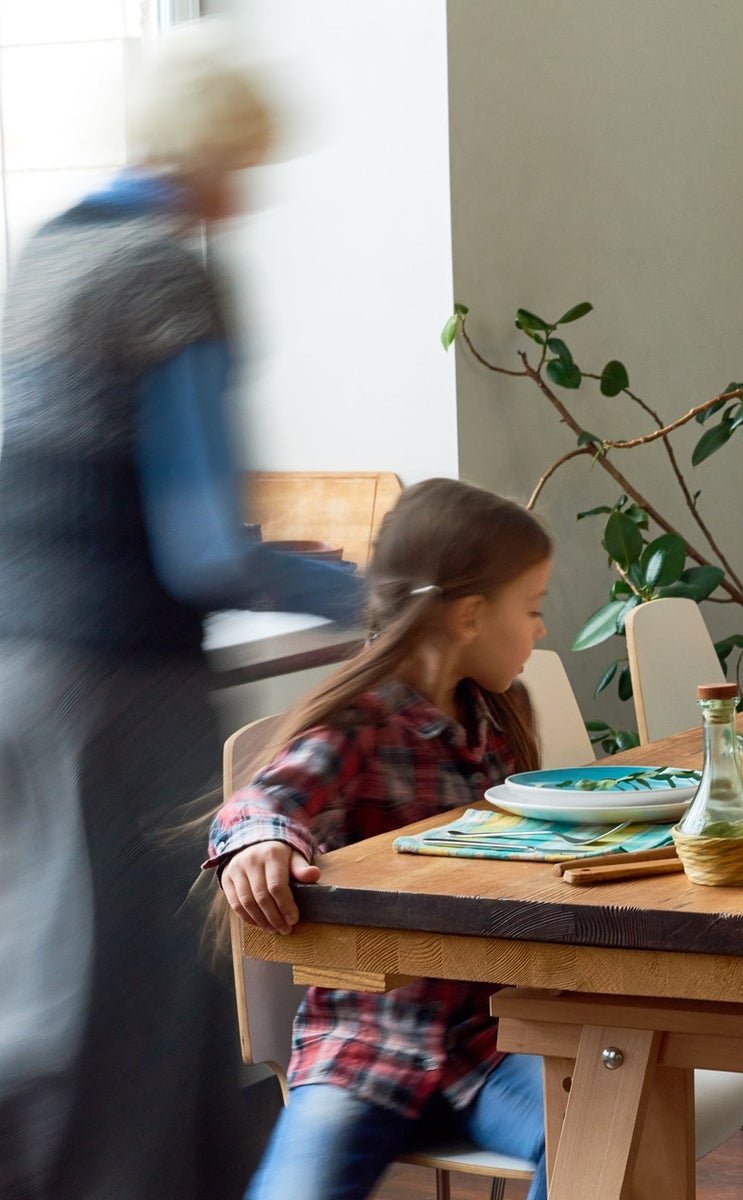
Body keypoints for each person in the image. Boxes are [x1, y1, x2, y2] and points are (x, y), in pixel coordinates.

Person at [0, 22, 365, 1200]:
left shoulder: (47, 251)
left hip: (19, 662)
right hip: (120, 679)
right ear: (215, 151)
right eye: (246, 165)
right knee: (143, 989)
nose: (247, 193)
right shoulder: (166, 272)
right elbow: (205, 551)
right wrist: (374, 585)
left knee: (45, 980)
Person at [209, 478, 553, 1200]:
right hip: (363, 1049)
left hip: (490, 1048)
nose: (541, 630)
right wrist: (260, 845)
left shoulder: (502, 722)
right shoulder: (359, 728)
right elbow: (263, 801)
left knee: (603, 1136)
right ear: (467, 615)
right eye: (532, 609)